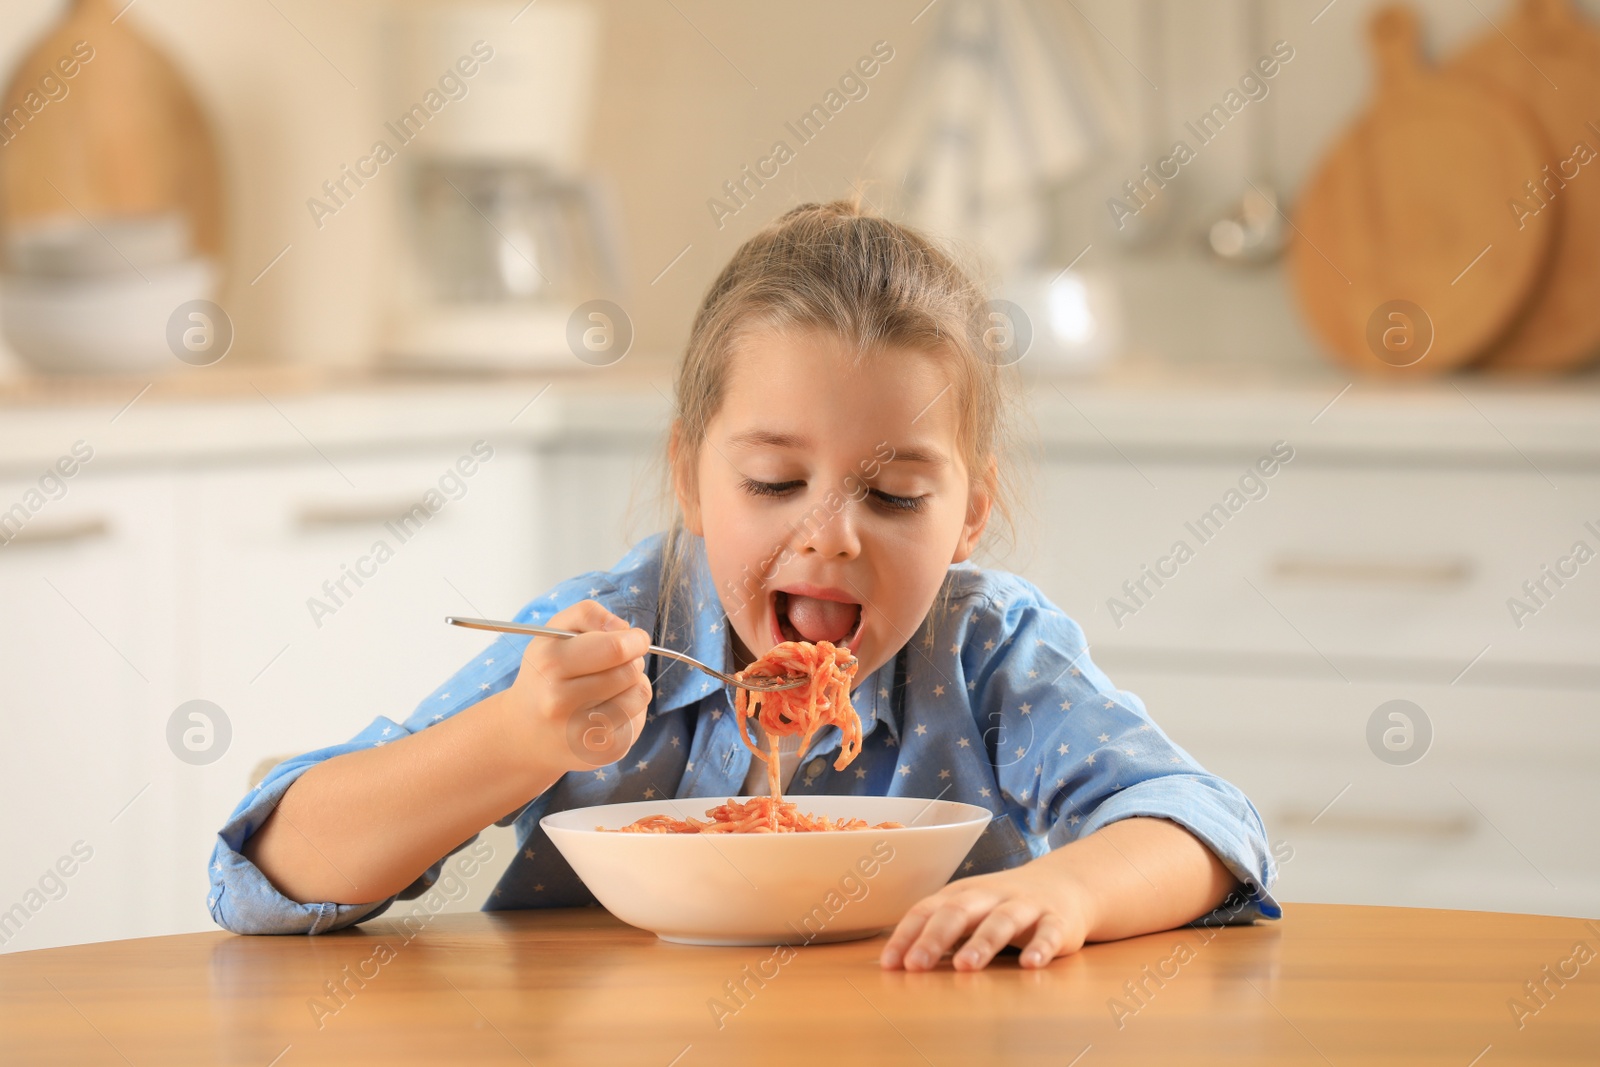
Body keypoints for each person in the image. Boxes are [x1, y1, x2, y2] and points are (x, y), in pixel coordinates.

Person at [210, 200, 1279, 971]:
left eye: (898, 494)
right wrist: (516, 739)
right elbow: (265, 876)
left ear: (970, 513)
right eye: (774, 481)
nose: (828, 537)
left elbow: (1198, 821)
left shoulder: (987, 653)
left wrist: (1066, 887)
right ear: (689, 475)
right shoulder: (608, 634)